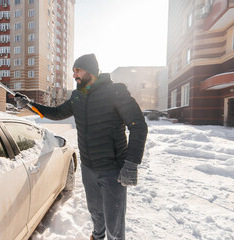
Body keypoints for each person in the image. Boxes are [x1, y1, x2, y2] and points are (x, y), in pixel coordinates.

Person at [15, 53, 148, 240]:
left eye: (77, 70)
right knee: (95, 213)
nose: (74, 75)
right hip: (88, 167)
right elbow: (57, 113)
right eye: (73, 71)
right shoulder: (79, 96)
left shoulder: (115, 91)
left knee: (114, 222)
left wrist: (131, 163)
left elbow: (138, 126)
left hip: (112, 170)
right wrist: (30, 105)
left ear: (91, 71)